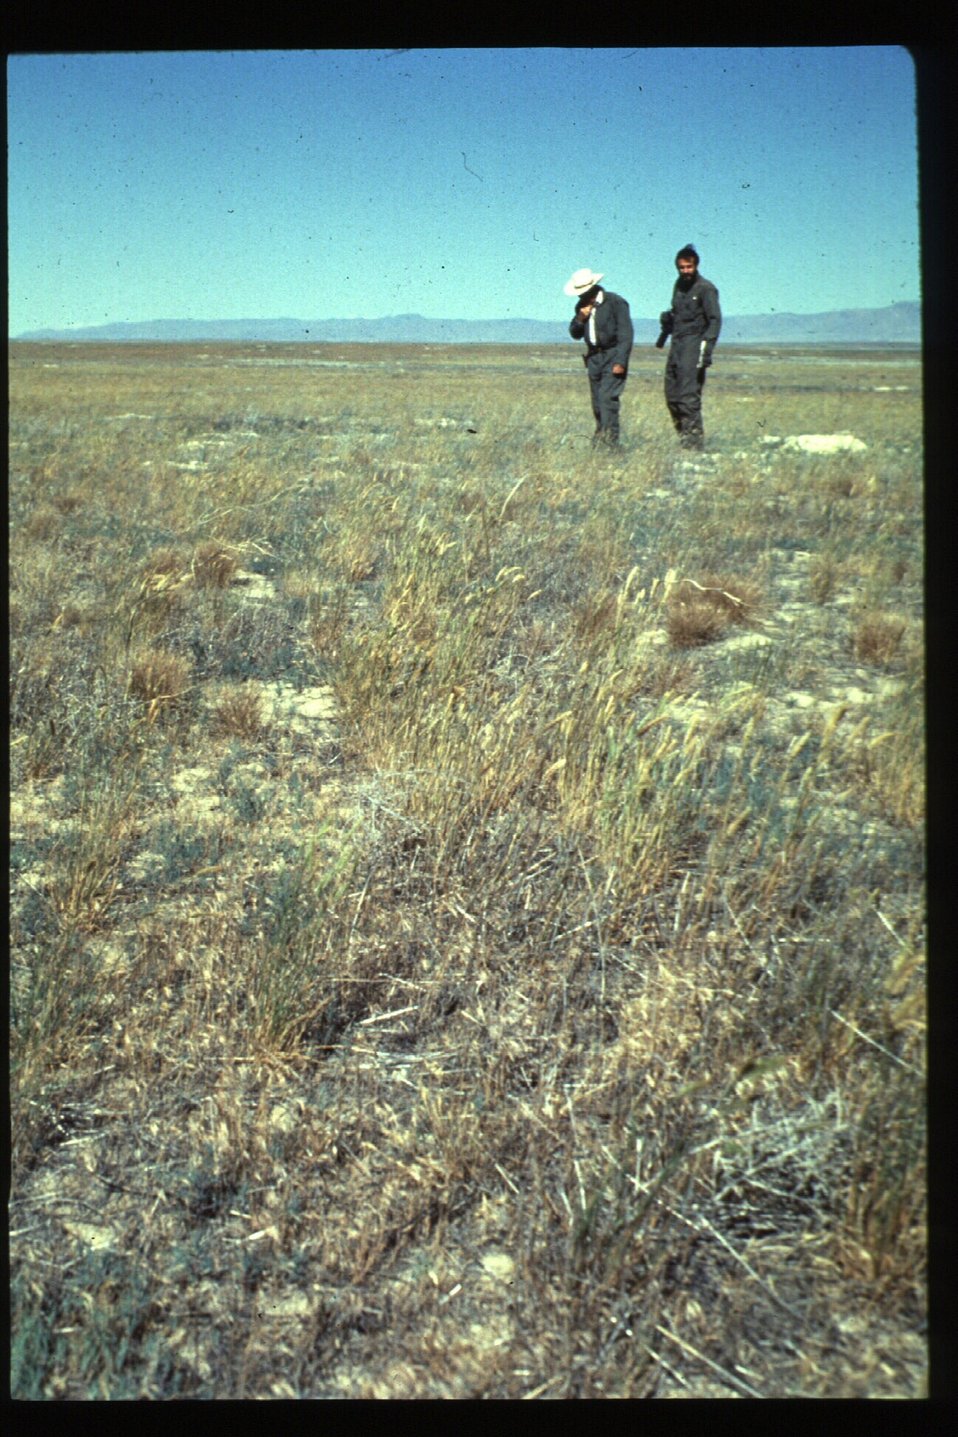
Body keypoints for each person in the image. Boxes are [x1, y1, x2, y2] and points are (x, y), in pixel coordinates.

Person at [659, 244, 722, 449]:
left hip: (694, 344)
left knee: (688, 396)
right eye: (681, 267)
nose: (685, 271)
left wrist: (706, 350)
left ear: (696, 266)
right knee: (672, 396)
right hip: (676, 344)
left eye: (689, 267)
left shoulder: (706, 289)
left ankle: (694, 444)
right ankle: (684, 437)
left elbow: (714, 320)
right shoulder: (678, 286)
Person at [565, 268, 634, 447]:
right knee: (597, 402)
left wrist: (621, 361)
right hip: (594, 359)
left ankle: (611, 444)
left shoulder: (615, 302)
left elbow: (626, 334)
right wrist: (580, 318)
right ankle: (600, 439)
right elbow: (574, 333)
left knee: (607, 399)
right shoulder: (581, 306)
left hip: (612, 355)